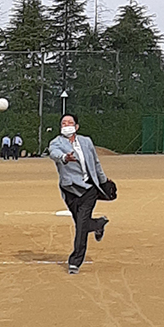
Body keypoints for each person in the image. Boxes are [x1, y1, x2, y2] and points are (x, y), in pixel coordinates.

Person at [49, 114, 110, 274]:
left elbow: (95, 162)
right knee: (81, 224)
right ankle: (98, 224)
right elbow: (53, 153)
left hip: (89, 188)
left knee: (81, 226)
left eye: (70, 123)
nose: (66, 125)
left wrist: (104, 182)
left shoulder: (86, 141)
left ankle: (75, 261)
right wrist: (64, 157)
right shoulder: (56, 143)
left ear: (76, 127)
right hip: (70, 189)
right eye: (63, 123)